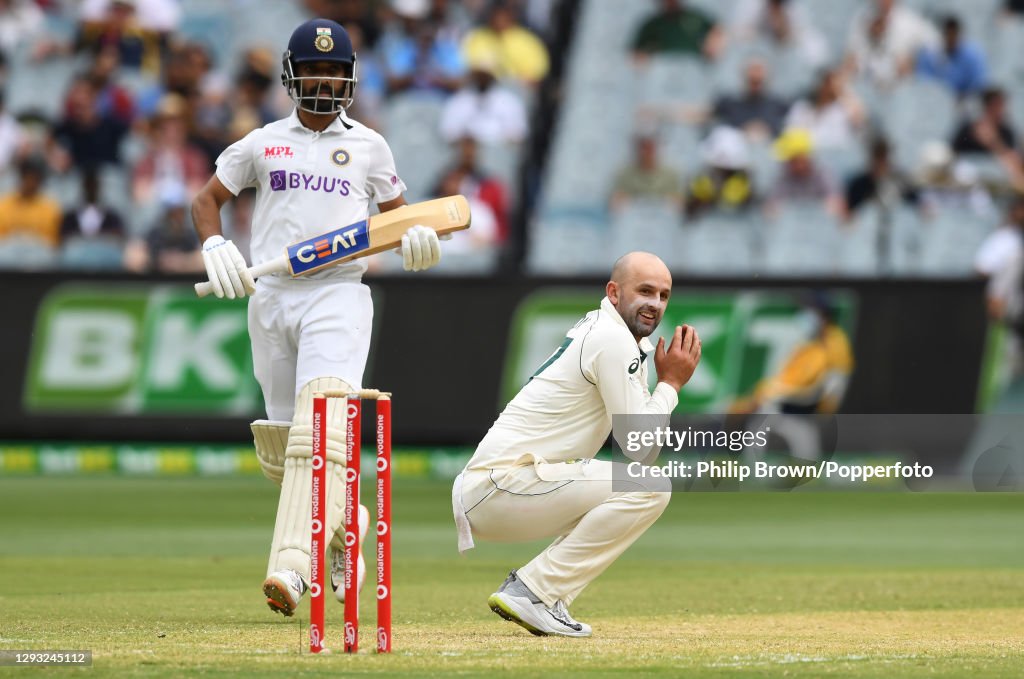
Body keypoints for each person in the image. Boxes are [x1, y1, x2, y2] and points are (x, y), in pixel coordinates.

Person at [190, 19, 449, 617]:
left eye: (335, 71)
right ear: (292, 75)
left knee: (320, 429)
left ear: (350, 78)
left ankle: (292, 565)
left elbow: (398, 220)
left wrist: (416, 242)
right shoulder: (261, 142)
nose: (325, 81)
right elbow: (208, 201)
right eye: (314, 70)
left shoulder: (370, 146)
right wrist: (214, 245)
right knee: (286, 452)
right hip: (272, 295)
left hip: (338, 292)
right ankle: (346, 524)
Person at [452, 252, 702, 637]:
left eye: (664, 295)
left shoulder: (617, 336)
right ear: (614, 292)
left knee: (636, 489)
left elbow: (639, 447)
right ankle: (533, 592)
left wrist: (665, 383)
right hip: (501, 485)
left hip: (509, 487)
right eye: (645, 291)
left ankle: (543, 596)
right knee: (650, 487)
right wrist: (671, 384)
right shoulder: (611, 339)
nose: (655, 303)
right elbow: (638, 448)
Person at [711, 59, 790, 142]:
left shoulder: (779, 103)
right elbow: (709, 115)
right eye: (752, 81)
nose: (756, 74)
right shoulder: (730, 102)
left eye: (758, 81)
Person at [915, 15, 988, 98]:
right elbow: (923, 81)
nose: (951, 39)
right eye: (948, 35)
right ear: (942, 35)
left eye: (954, 35)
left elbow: (978, 85)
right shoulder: (929, 54)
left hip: (964, 101)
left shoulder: (973, 55)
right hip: (935, 101)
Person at [0, 155, 61, 248]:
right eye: (29, 178)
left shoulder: (50, 208)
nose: (32, 183)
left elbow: (52, 243)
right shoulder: (4, 205)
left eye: (36, 179)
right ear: (22, 177)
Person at [609, 135, 683, 211]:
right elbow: (615, 204)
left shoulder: (671, 175)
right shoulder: (624, 175)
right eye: (643, 147)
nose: (646, 152)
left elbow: (679, 204)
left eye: (650, 147)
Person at [631, 0, 723, 61]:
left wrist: (712, 48)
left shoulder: (695, 17)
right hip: (660, 74)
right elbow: (635, 54)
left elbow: (717, 34)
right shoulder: (652, 25)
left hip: (694, 68)